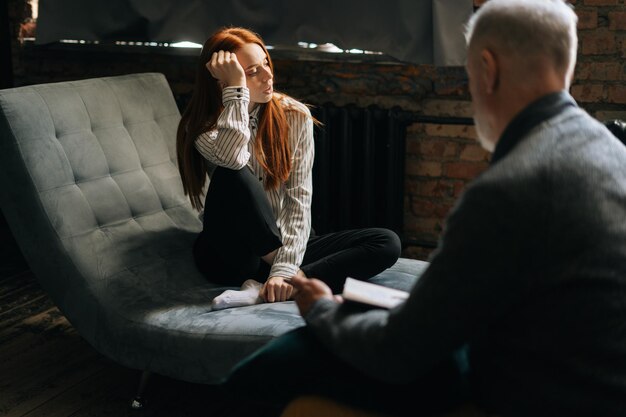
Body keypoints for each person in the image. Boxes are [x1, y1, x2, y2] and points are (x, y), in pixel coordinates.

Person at [220, 1, 626, 416]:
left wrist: (321, 308)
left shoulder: (507, 189)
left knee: (270, 372)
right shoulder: (614, 153)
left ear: (487, 69)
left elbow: (399, 352)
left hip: (548, 395)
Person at [176, 27, 401, 310]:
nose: (268, 76)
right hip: (231, 255)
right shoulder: (202, 126)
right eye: (252, 71)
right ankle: (289, 277)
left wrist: (284, 268)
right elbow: (233, 158)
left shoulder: (294, 115)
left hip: (282, 247)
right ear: (221, 82)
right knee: (232, 172)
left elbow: (299, 198)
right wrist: (236, 90)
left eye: (266, 64)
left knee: (386, 242)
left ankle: (269, 289)